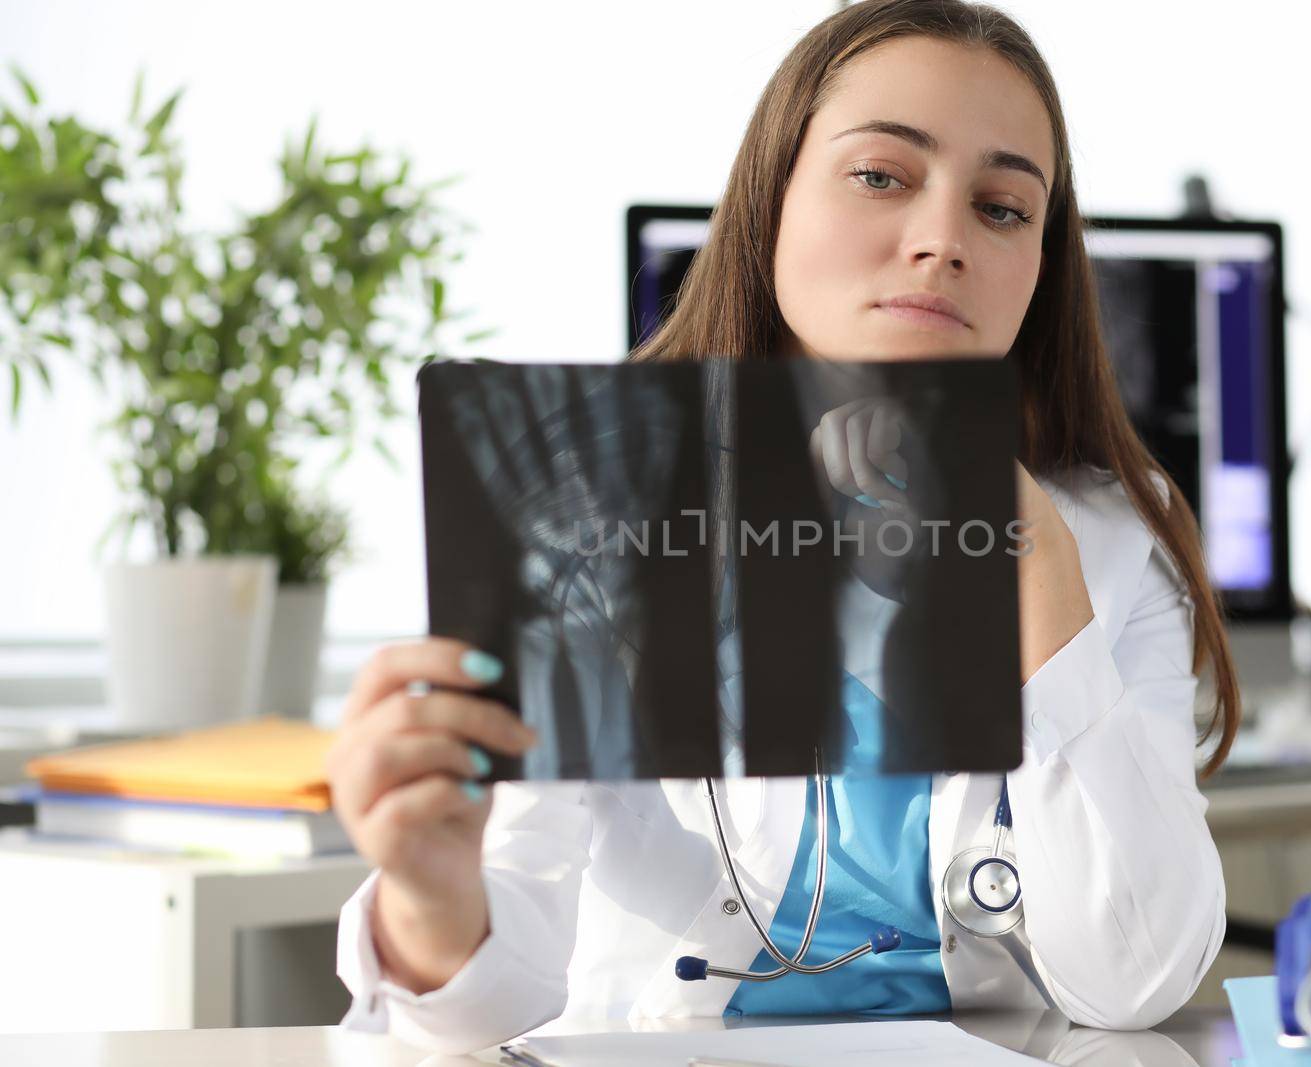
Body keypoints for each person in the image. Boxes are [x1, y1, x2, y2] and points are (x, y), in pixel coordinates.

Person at [329, 0, 1241, 1054]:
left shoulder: (1117, 532)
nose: (943, 240)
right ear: (769, 202)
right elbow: (492, 999)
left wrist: (1037, 569)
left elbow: (1136, 978)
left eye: (1000, 208)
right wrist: (431, 893)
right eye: (880, 175)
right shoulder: (592, 504)